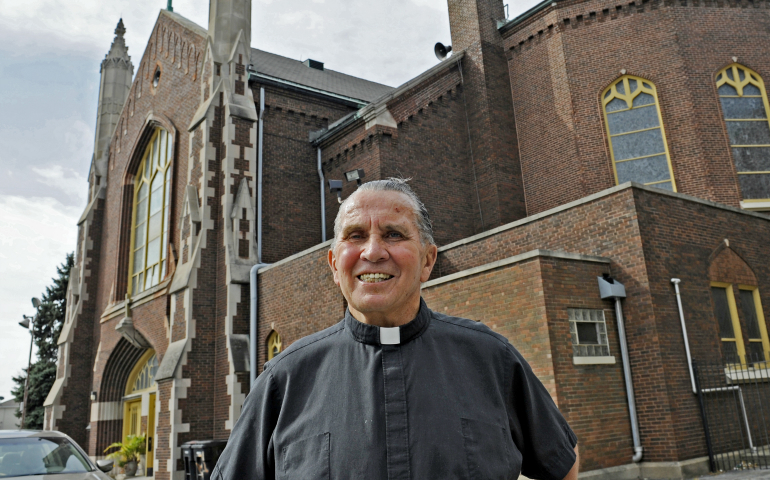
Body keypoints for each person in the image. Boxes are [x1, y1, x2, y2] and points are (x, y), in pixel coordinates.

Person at [212, 179, 579, 480]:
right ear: (334, 265)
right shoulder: (285, 379)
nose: (372, 251)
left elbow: (562, 466)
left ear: (427, 260)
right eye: (355, 235)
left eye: (393, 235)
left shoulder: (492, 359)